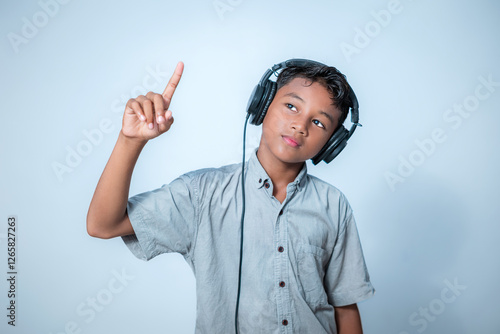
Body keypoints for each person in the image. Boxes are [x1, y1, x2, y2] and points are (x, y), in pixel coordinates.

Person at [87, 59, 375, 333]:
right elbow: (103, 225)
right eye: (291, 106)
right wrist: (130, 141)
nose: (300, 125)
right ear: (262, 105)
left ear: (332, 143)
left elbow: (345, 307)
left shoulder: (333, 205)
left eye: (319, 123)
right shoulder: (202, 193)